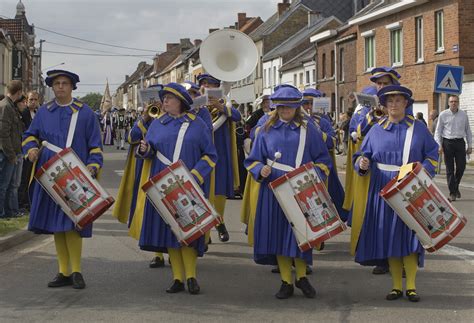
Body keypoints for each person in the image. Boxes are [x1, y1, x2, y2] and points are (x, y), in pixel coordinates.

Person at [244, 85, 332, 299]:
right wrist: (260, 169)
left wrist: (313, 178)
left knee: (301, 235)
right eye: (281, 107)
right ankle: (286, 281)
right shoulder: (264, 131)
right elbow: (252, 160)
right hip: (273, 188)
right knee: (278, 236)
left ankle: (301, 277)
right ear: (275, 107)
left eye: (289, 107)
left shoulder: (309, 130)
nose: (285, 110)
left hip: (301, 189)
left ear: (297, 108)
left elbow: (323, 160)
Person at [354, 85, 438, 302]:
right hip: (383, 190)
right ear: (384, 105)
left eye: (398, 101)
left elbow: (432, 155)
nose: (394, 105)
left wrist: (423, 171)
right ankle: (395, 287)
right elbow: (362, 155)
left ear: (406, 104)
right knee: (390, 237)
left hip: (411, 188)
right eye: (390, 101)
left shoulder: (418, 128)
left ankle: (410, 286)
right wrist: (362, 163)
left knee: (410, 237)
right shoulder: (375, 129)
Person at [22, 69, 103, 289]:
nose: (60, 87)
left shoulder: (85, 113)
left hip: (75, 174)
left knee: (73, 223)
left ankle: (76, 270)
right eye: (56, 83)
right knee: (57, 224)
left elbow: (96, 146)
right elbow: (30, 135)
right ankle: (63, 271)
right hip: (49, 173)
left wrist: (93, 167)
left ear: (72, 86)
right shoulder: (43, 112)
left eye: (64, 83)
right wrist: (30, 150)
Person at [137, 83, 217, 294]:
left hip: (189, 186)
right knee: (170, 231)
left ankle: (191, 276)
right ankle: (177, 278)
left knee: (189, 231)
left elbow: (210, 156)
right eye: (164, 99)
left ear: (180, 102)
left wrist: (195, 176)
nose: (164, 101)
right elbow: (148, 151)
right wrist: (145, 150)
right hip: (163, 185)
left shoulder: (197, 124)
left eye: (169, 98)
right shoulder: (157, 124)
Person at [347, 67, 401, 276]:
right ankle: (383, 260)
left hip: (398, 169)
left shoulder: (403, 105)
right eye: (378, 84)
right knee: (380, 217)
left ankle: (401, 258)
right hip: (377, 171)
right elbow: (358, 133)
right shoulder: (369, 110)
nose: (380, 87)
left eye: (385, 84)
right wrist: (373, 115)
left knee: (400, 218)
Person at [198, 73, 241, 242]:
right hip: (201, 154)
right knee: (203, 190)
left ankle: (220, 221)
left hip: (221, 153)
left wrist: (221, 107)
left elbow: (237, 116)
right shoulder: (196, 104)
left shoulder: (224, 103)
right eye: (204, 85)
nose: (206, 88)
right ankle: (207, 228)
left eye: (210, 85)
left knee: (220, 190)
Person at [434, 95, 472, 201]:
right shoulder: (443, 114)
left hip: (460, 142)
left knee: (461, 166)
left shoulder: (463, 115)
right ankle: (452, 193)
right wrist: (439, 145)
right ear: (449, 103)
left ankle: (455, 186)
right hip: (448, 143)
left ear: (458, 102)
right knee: (449, 169)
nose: (453, 103)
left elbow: (468, 130)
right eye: (451, 101)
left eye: (455, 101)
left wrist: (470, 145)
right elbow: (438, 131)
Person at [0, 80, 24, 219]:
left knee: (8, 185)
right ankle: (2, 213)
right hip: (6, 153)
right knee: (3, 185)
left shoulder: (10, 105)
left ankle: (8, 211)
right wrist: (11, 154)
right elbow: (3, 133)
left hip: (11, 152)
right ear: (19, 92)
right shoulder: (6, 106)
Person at [18, 91, 40, 211]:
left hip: (37, 150)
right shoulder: (24, 113)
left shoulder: (38, 113)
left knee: (32, 177)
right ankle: (21, 203)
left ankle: (28, 202)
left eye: (35, 100)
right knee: (24, 178)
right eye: (31, 99)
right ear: (26, 101)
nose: (33, 102)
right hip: (26, 150)